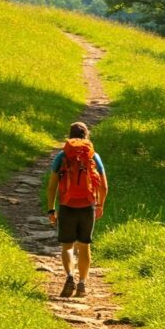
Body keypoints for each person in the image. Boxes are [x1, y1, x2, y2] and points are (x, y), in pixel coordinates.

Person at [46, 121, 108, 298]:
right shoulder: (93, 156)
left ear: (70, 135)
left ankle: (70, 277)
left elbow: (52, 187)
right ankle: (82, 284)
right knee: (85, 245)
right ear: (86, 135)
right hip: (87, 205)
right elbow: (103, 186)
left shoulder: (62, 156)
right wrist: (100, 204)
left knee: (67, 245)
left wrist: (51, 210)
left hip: (67, 205)